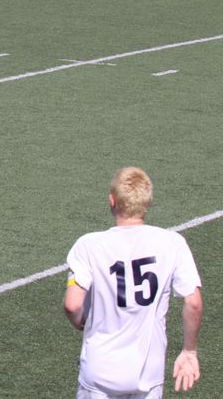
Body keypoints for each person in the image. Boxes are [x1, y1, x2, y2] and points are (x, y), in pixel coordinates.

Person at [64, 166, 203, 398]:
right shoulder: (172, 243)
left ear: (112, 200)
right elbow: (194, 303)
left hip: (100, 370)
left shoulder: (88, 245)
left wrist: (81, 322)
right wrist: (189, 352)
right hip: (149, 372)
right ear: (147, 202)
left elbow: (72, 305)